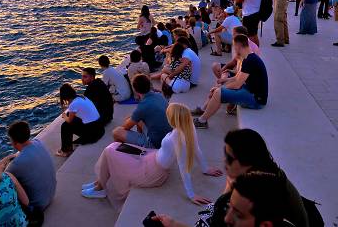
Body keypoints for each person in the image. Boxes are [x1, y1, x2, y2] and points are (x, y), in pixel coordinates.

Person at [153, 130, 309, 227]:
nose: (224, 162)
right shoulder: (265, 176)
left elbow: (221, 212)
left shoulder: (258, 193)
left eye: (229, 158)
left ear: (248, 163)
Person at [82, 103, 223, 206]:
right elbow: (196, 148)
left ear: (173, 119)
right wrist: (205, 169)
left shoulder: (177, 136)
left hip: (152, 171)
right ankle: (99, 183)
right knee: (114, 147)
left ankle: (100, 187)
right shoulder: (189, 126)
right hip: (150, 157)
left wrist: (191, 194)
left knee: (110, 151)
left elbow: (183, 166)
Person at [193, 35, 267, 129]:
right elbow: (237, 77)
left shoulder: (249, 60)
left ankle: (202, 121)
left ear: (238, 46)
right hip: (251, 91)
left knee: (218, 93)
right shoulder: (249, 57)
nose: (234, 48)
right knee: (219, 89)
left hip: (256, 100)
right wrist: (224, 80)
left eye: (234, 45)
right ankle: (203, 117)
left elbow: (237, 84)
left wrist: (220, 88)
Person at [0, 121, 56, 225]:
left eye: (10, 140)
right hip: (51, 195)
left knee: (5, 189)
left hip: (37, 205)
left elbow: (0, 180)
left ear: (15, 143)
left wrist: (1, 167)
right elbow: (22, 155)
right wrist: (8, 158)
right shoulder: (38, 142)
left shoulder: (17, 164)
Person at [112, 74, 172, 149]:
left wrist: (127, 120)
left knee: (116, 132)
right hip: (168, 137)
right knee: (137, 119)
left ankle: (141, 149)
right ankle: (140, 145)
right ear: (149, 85)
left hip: (156, 144)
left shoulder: (142, 107)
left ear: (135, 90)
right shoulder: (159, 96)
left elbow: (126, 127)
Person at [57, 83, 105, 157]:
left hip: (93, 134)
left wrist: (64, 116)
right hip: (100, 128)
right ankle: (68, 146)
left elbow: (69, 120)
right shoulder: (81, 97)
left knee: (65, 126)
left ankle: (66, 151)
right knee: (71, 118)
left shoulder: (74, 104)